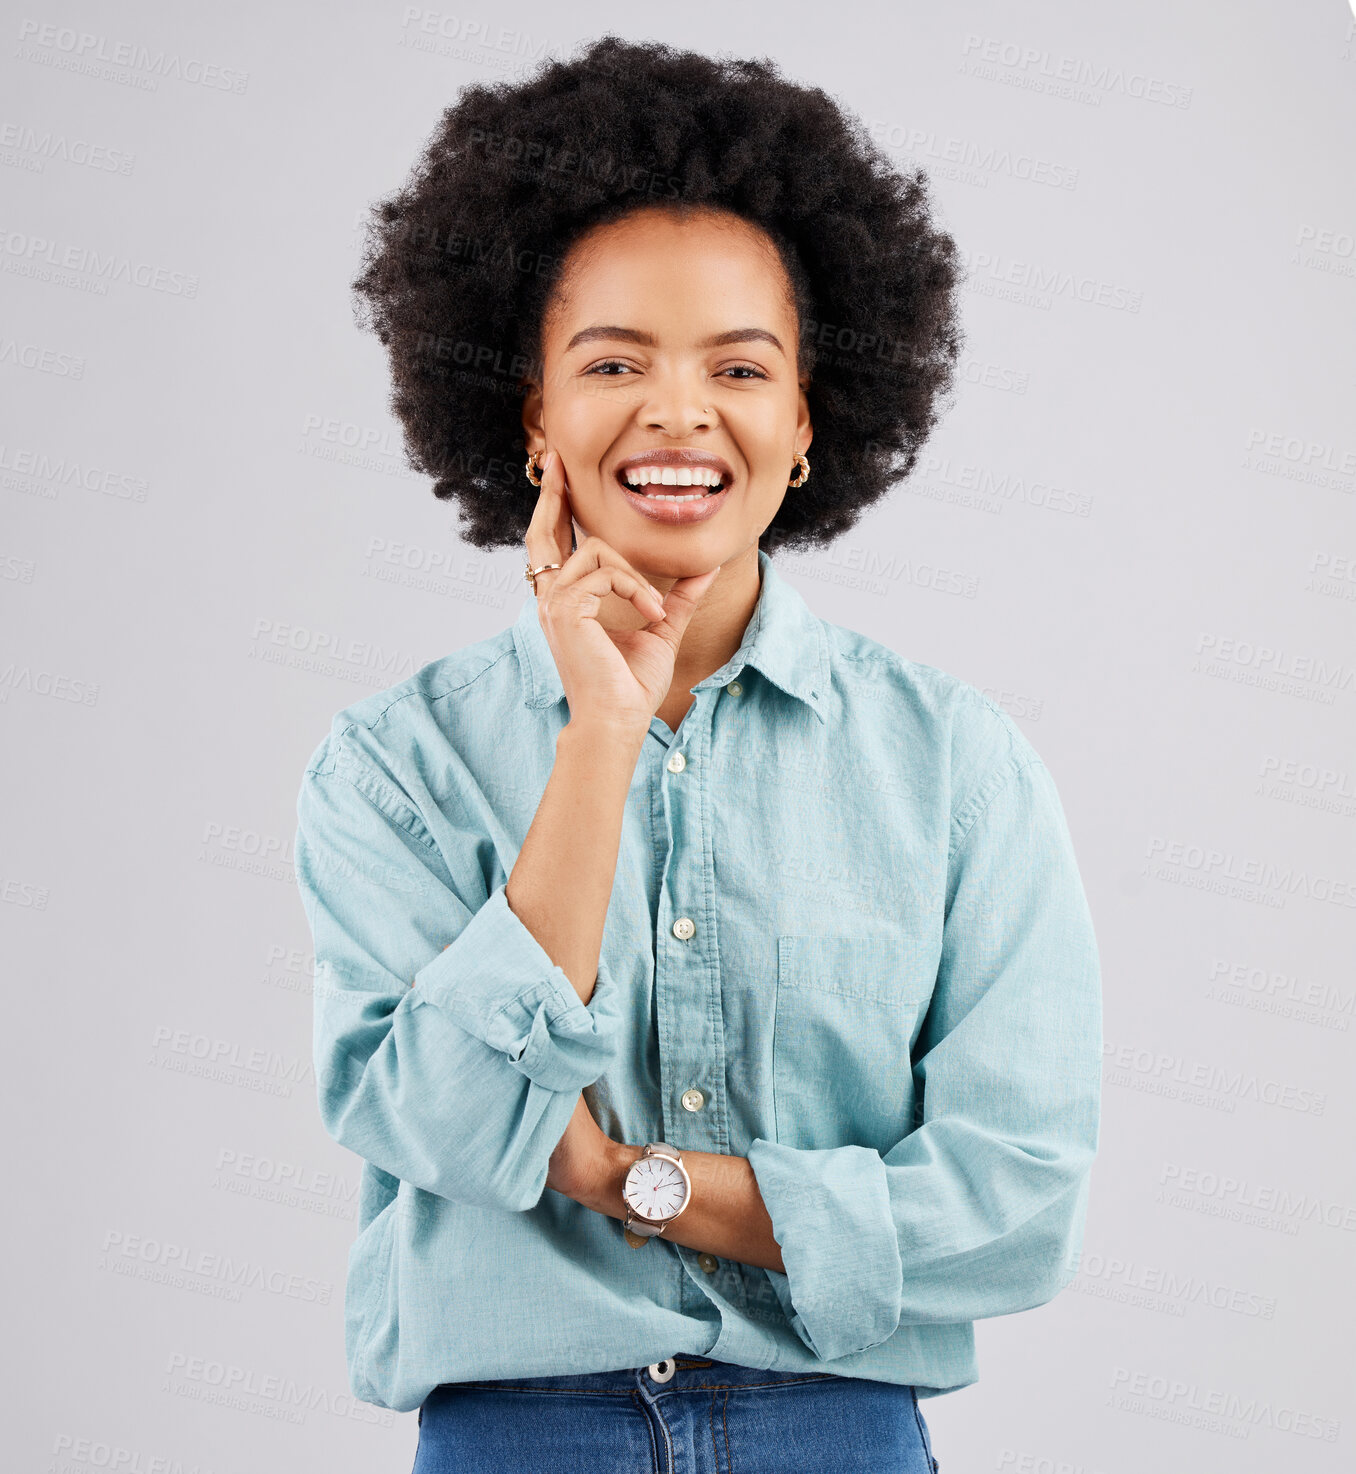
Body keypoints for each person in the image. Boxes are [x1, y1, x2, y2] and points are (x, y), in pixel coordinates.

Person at [293, 35, 1102, 1474]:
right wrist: (602, 729)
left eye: (740, 365)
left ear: (803, 423)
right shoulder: (394, 770)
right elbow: (452, 1126)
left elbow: (1017, 1204)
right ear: (534, 412)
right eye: (614, 363)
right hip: (517, 1440)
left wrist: (635, 1183)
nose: (679, 411)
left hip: (840, 1434)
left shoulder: (957, 768)